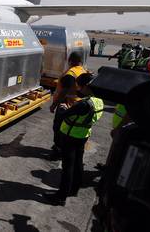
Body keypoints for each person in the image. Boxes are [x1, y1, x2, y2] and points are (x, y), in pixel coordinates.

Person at [45, 73, 104, 205]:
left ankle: (61, 196)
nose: (78, 89)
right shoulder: (98, 101)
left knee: (68, 167)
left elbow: (63, 115)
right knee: (78, 163)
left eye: (80, 86)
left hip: (70, 136)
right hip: (83, 135)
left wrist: (62, 107)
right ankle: (74, 189)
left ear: (86, 86)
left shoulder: (84, 104)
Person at [49, 52, 87, 158]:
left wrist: (54, 105)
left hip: (66, 103)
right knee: (67, 127)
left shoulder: (71, 73)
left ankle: (58, 150)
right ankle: (61, 148)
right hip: (77, 103)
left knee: (58, 127)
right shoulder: (82, 70)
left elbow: (63, 91)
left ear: (70, 60)